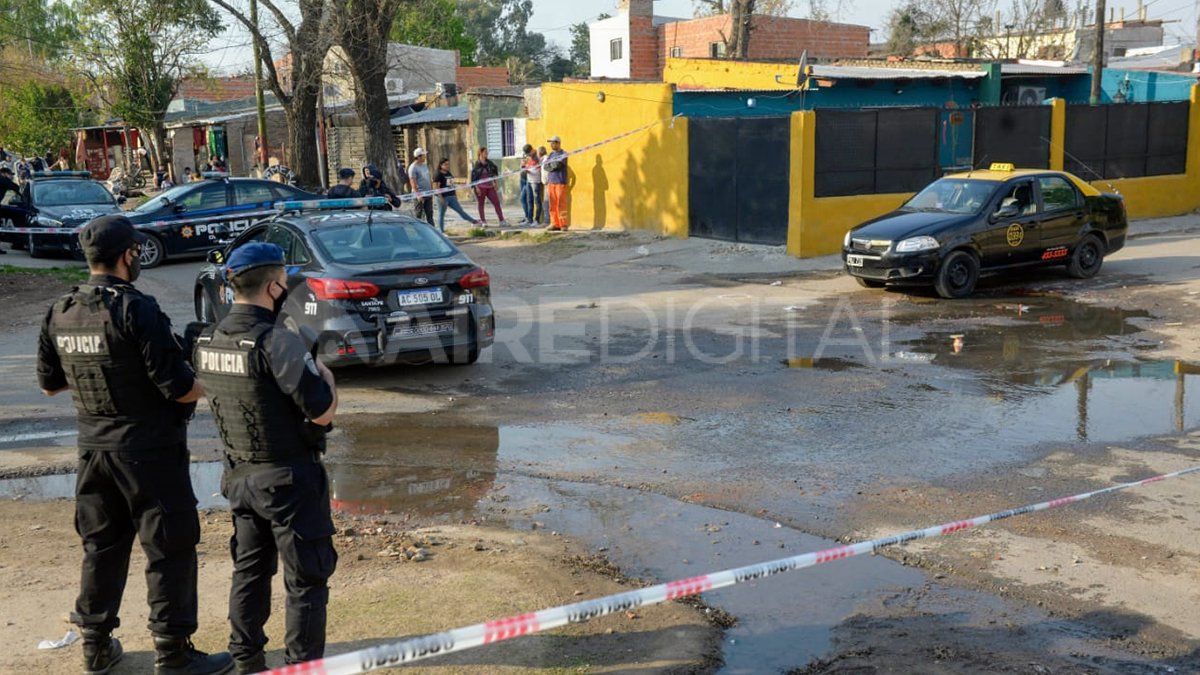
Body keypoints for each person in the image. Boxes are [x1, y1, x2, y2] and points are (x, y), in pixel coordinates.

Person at [36, 215, 234, 675]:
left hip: (93, 451)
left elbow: (50, 385)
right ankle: (174, 654)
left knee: (101, 546)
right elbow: (180, 388)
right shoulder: (136, 309)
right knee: (169, 548)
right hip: (149, 452)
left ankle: (96, 647)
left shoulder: (60, 309)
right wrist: (204, 374)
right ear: (128, 256)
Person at [192, 243, 338, 673]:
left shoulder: (207, 339)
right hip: (288, 479)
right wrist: (327, 378)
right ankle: (301, 667)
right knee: (306, 579)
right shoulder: (277, 341)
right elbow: (322, 410)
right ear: (275, 286)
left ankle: (245, 661)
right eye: (284, 282)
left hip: (239, 477)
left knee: (250, 571)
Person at [433, 158, 481, 232]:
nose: (447, 166)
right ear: (441, 165)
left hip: (451, 196)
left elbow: (452, 184)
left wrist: (455, 195)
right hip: (443, 197)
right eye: (445, 164)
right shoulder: (438, 174)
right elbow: (436, 187)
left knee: (460, 211)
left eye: (448, 164)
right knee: (441, 214)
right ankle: (441, 232)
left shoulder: (448, 173)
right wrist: (441, 197)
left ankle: (473, 221)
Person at [470, 147, 507, 227]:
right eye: (485, 152)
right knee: (481, 204)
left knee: (496, 202)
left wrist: (495, 183)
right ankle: (483, 221)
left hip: (490, 187)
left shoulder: (490, 163)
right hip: (480, 188)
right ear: (480, 153)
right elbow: (474, 178)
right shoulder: (477, 165)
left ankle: (502, 220)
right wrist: (476, 188)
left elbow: (494, 173)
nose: (487, 154)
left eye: (487, 152)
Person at [545, 135, 570, 231]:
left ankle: (563, 224)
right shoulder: (551, 155)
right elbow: (545, 167)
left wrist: (551, 165)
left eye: (553, 142)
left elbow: (558, 165)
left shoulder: (564, 153)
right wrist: (552, 165)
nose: (551, 144)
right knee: (553, 204)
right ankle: (554, 223)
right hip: (551, 182)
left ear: (558, 143)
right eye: (551, 143)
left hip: (560, 181)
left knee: (561, 203)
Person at [407, 148, 434, 225]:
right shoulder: (413, 168)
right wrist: (418, 195)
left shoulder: (425, 165)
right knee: (419, 215)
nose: (425, 157)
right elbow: (413, 182)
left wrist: (431, 190)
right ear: (418, 157)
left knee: (430, 215)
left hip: (428, 194)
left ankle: (432, 233)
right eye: (423, 155)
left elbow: (429, 177)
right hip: (420, 195)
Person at [0, 165, 24, 254]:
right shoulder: (3, 180)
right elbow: (15, 187)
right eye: (10, 174)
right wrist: (22, 196)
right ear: (4, 173)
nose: (12, 176)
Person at [518, 144, 535, 225]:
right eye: (526, 154)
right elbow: (522, 165)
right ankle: (526, 216)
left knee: (528, 199)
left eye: (528, 153)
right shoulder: (525, 155)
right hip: (523, 178)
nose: (527, 155)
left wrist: (525, 166)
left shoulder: (535, 157)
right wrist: (522, 165)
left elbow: (532, 167)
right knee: (523, 199)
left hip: (529, 179)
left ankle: (529, 218)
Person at [528, 146, 545, 225]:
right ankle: (530, 219)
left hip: (536, 182)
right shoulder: (531, 158)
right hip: (530, 181)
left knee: (537, 201)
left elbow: (538, 171)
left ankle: (537, 220)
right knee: (530, 200)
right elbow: (530, 167)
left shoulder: (540, 159)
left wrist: (529, 171)